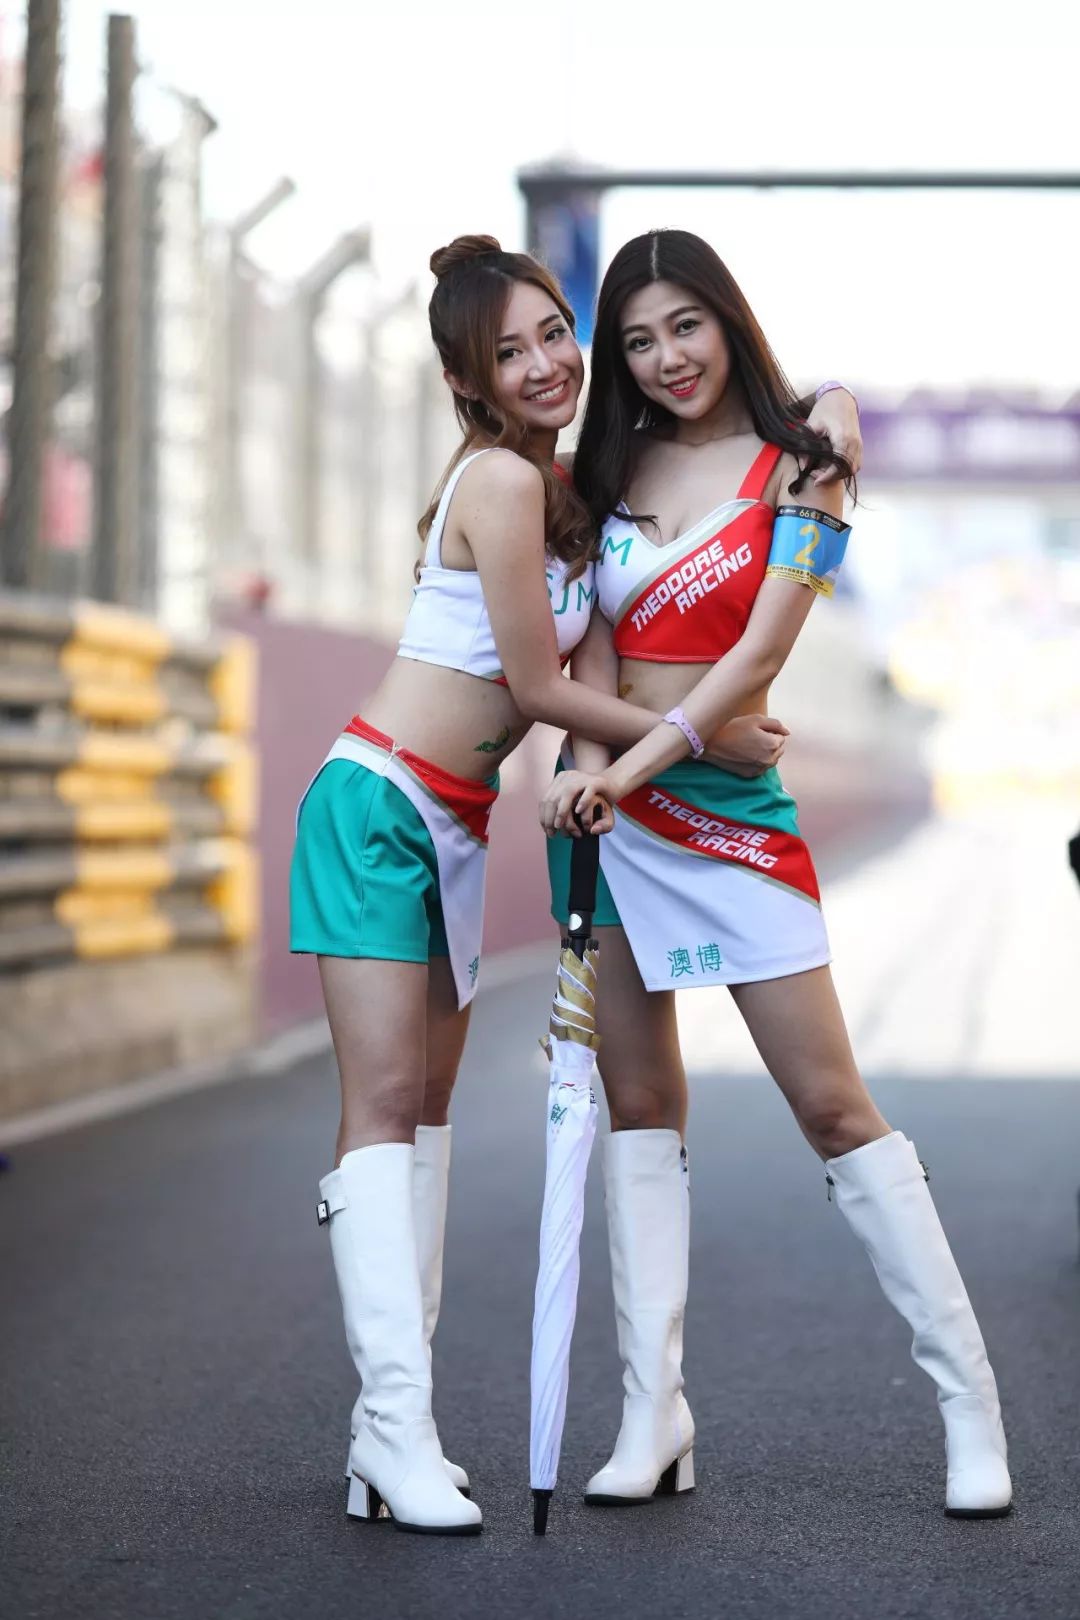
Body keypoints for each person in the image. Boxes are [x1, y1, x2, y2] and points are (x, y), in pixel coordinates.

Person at [290, 234, 861, 1535]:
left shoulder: (562, 490)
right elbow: (541, 688)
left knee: (426, 1110)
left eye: (557, 333)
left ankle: (388, 1436)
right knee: (382, 1109)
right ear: (469, 382)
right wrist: (707, 735)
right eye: (511, 353)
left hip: (451, 818)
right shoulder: (499, 480)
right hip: (376, 803)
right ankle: (395, 1430)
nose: (548, 363)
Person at [542, 229, 1012, 1521]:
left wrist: (642, 759)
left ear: (729, 322)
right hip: (610, 820)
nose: (666, 357)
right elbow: (584, 653)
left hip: (731, 818)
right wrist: (583, 770)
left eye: (685, 324)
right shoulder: (605, 473)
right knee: (641, 1105)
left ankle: (970, 1406)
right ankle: (653, 1416)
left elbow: (755, 663)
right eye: (638, 339)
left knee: (835, 1108)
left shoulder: (806, 458)